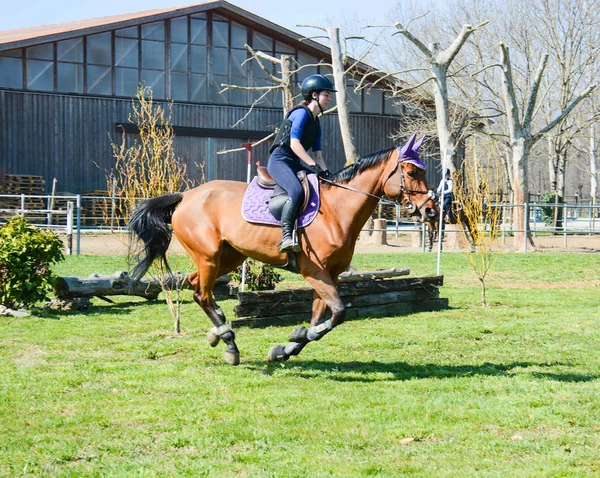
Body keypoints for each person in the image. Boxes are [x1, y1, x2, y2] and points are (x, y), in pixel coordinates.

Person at [267, 73, 335, 252]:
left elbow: (318, 155)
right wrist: (312, 165)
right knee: (296, 190)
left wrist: (326, 172)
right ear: (314, 95)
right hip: (280, 160)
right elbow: (294, 144)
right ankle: (286, 237)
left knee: (322, 185)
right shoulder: (300, 113)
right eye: (326, 94)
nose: (329, 98)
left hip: (294, 162)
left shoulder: (317, 122)